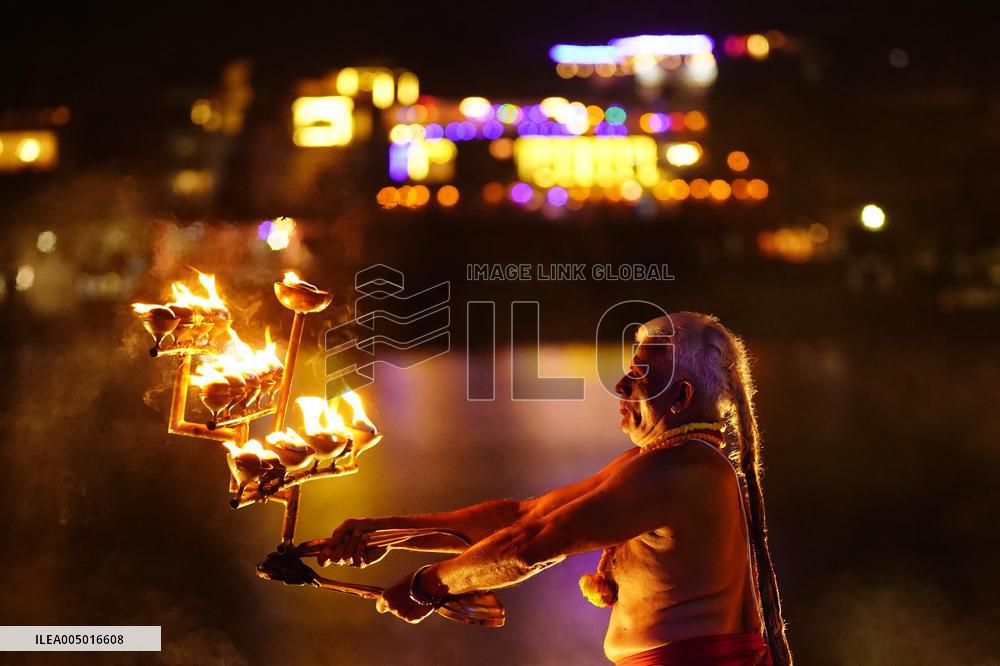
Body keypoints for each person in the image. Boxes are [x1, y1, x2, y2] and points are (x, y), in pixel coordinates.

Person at [318, 312, 793, 665]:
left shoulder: (680, 471)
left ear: (683, 397)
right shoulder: (657, 463)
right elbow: (522, 517)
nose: (621, 384)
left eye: (641, 373)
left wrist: (429, 585)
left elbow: (531, 546)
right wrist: (384, 533)